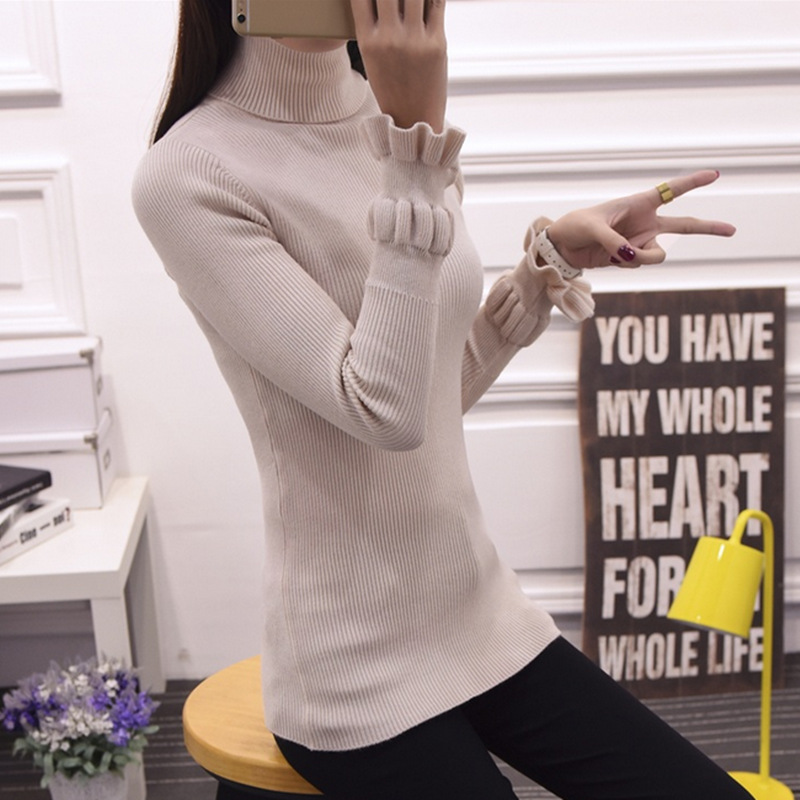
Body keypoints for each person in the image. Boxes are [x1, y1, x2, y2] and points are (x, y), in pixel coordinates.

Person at [133, 1, 749, 798]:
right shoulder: (190, 174)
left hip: (481, 618)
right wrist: (414, 150)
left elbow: (427, 393)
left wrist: (543, 268)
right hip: (351, 673)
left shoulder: (388, 112)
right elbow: (379, 409)